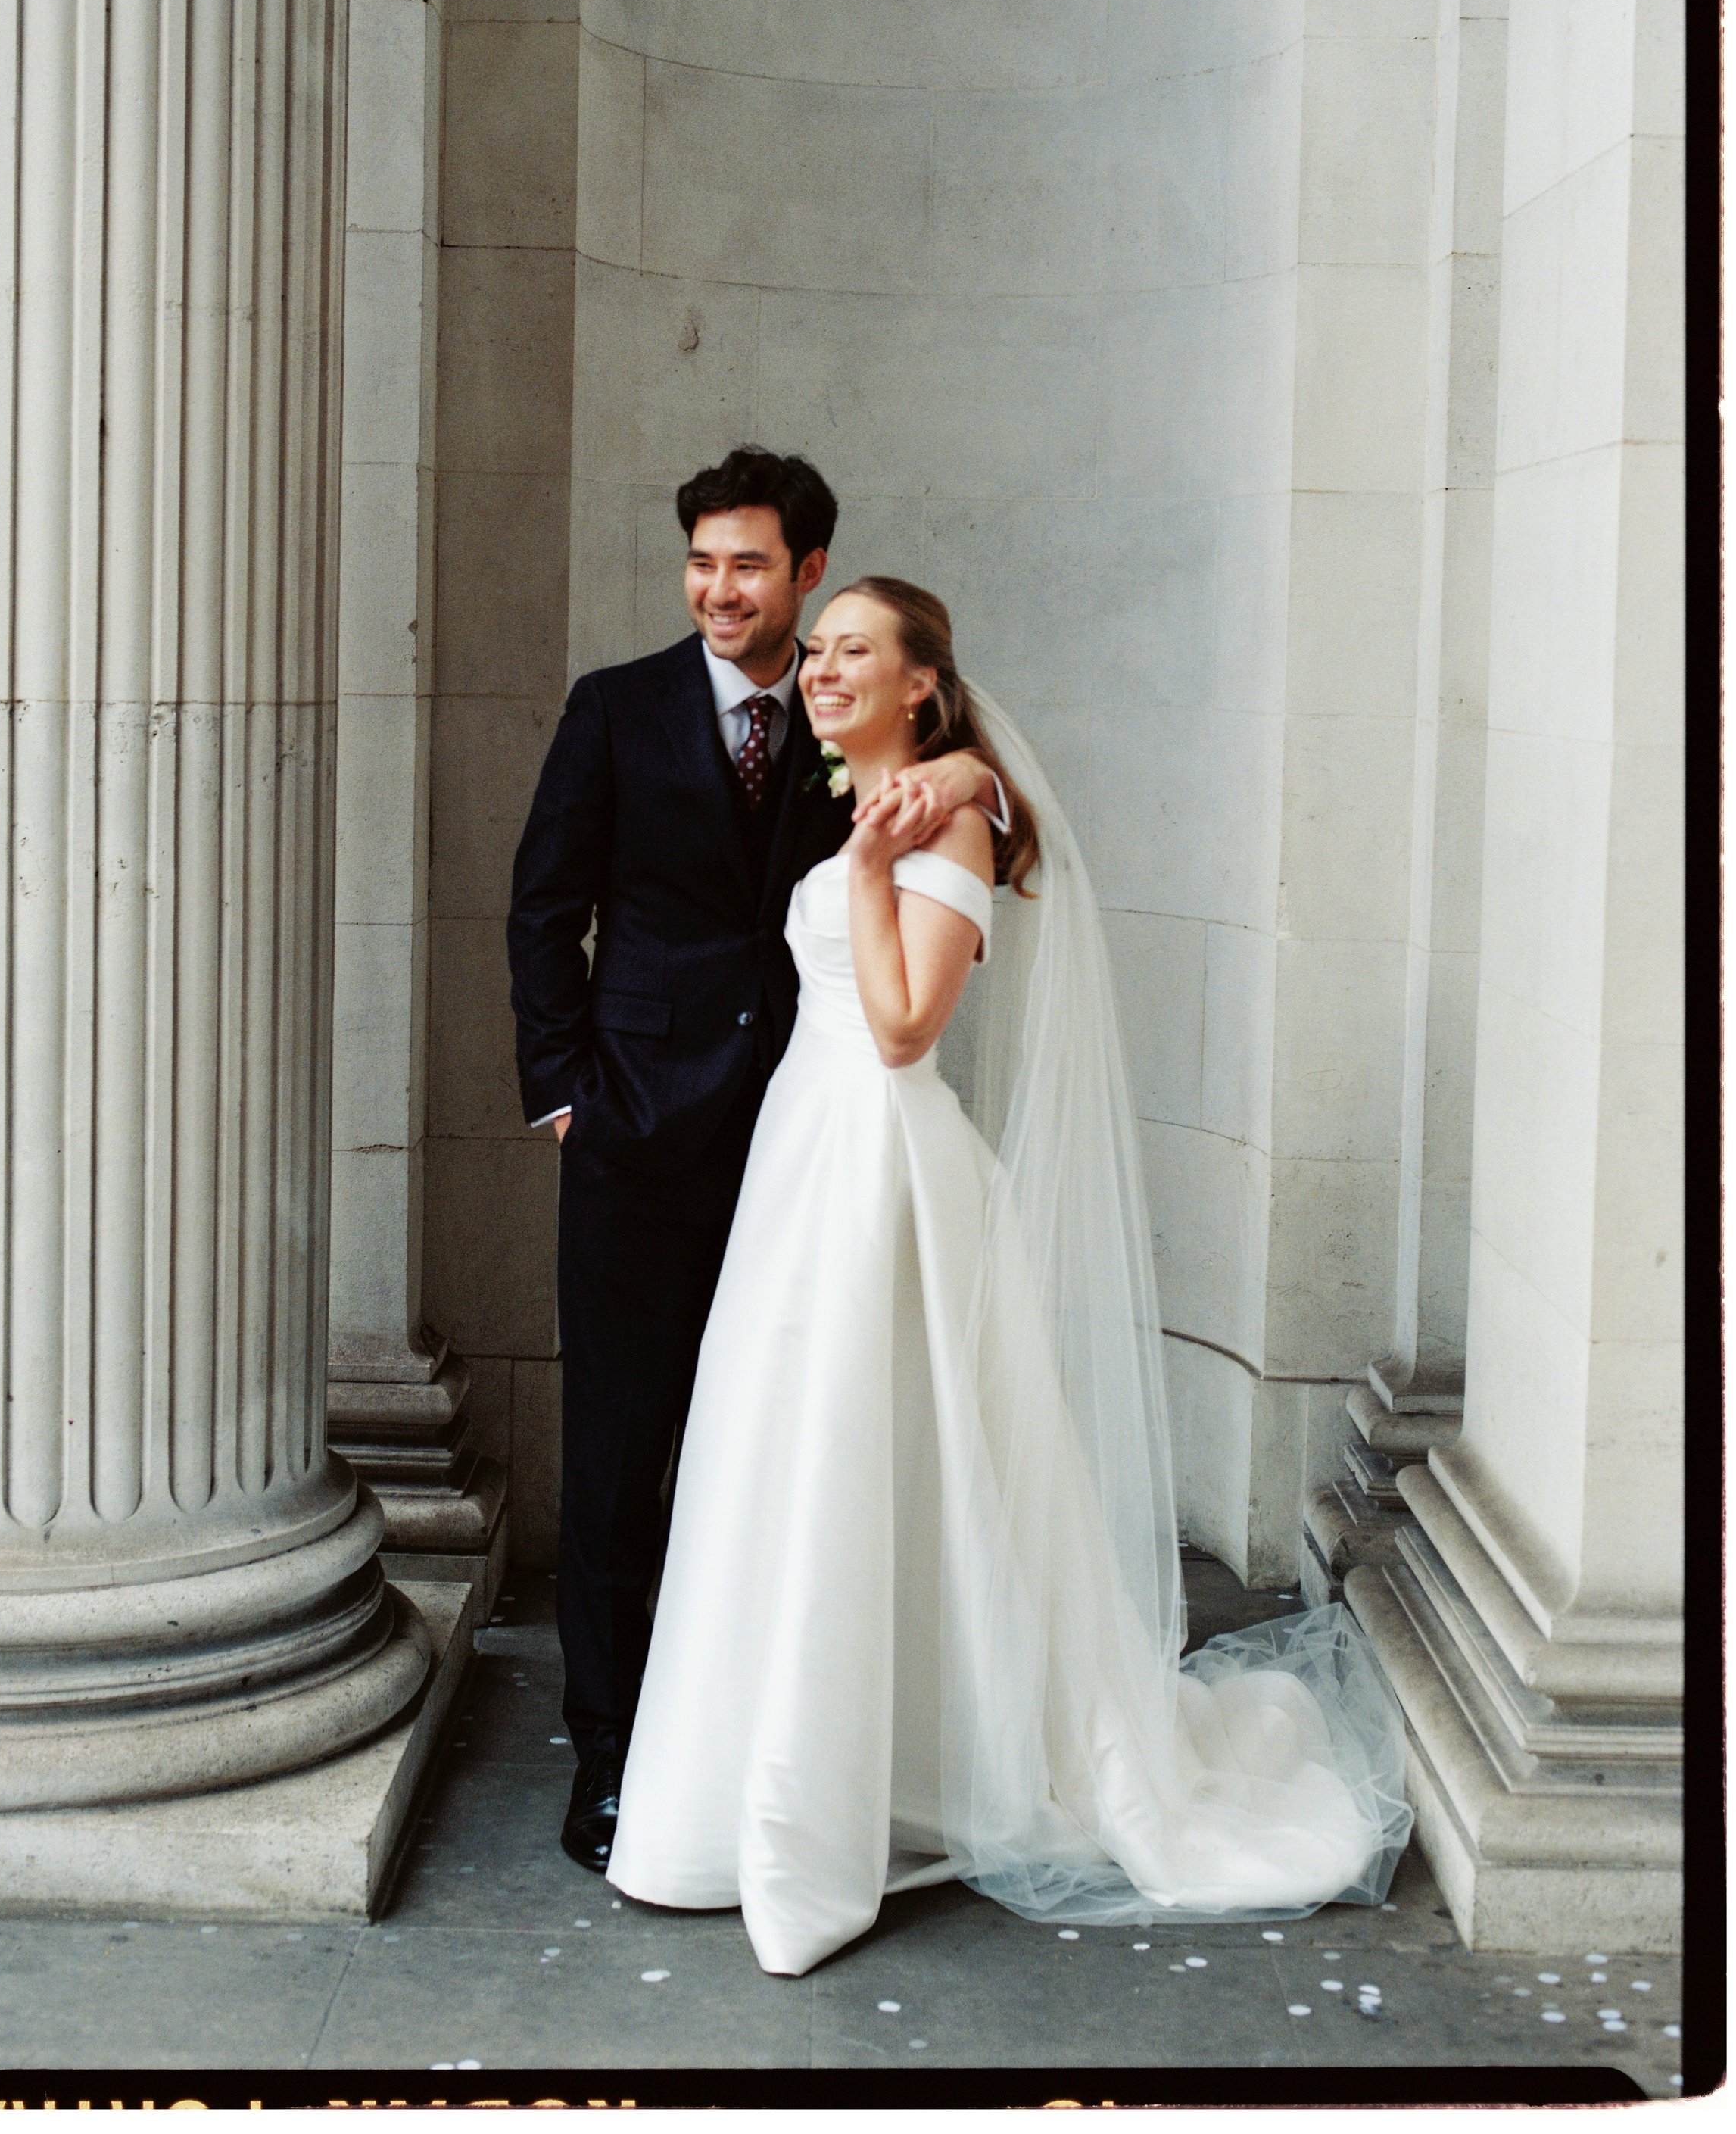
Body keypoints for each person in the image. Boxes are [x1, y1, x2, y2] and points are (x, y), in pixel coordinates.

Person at [604, 578, 1413, 1977]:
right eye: (824, 649)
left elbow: (909, 1026)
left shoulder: (940, 814)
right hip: (808, 1157)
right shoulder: (874, 790)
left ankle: (840, 1814)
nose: (825, 667)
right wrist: (888, 820)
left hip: (884, 1165)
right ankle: (747, 1792)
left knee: (873, 1457)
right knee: (790, 1463)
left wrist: (877, 861)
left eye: (860, 649)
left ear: (923, 681)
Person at [506, 454, 1007, 1875]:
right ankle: (614, 1759)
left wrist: (972, 768)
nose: (718, 590)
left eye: (747, 565)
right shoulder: (616, 708)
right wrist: (564, 1100)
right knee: (619, 1457)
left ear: (807, 570)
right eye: (699, 563)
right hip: (633, 1135)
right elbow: (543, 911)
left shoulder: (847, 709)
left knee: (774, 1449)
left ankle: (756, 1738)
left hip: (800, 1149)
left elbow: (972, 803)